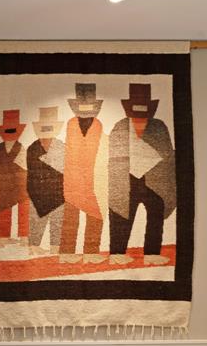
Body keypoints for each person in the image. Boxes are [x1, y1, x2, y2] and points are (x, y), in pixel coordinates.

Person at [108, 83, 176, 265]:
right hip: (126, 179)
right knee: (121, 214)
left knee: (156, 211)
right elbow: (113, 154)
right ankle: (117, 253)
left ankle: (152, 253)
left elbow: (167, 153)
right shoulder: (120, 126)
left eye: (143, 109)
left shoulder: (158, 126)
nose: (139, 115)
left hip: (154, 179)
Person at [60, 83, 106, 263]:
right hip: (74, 178)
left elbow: (98, 150)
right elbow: (73, 152)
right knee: (72, 216)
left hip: (92, 178)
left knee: (94, 214)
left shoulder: (98, 125)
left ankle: (89, 253)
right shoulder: (72, 124)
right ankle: (68, 254)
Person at [26, 106, 65, 254]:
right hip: (37, 192)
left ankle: (55, 248)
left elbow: (66, 169)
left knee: (57, 221)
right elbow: (32, 173)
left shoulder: (61, 146)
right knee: (36, 220)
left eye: (50, 128)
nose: (47, 132)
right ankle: (33, 246)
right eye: (44, 128)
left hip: (58, 192)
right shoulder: (32, 148)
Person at [0, 109, 31, 244]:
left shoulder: (21, 148)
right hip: (3, 185)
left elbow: (25, 168)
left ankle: (24, 236)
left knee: (24, 205)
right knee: (3, 205)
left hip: (18, 184)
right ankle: (3, 238)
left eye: (12, 131)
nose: (10, 135)